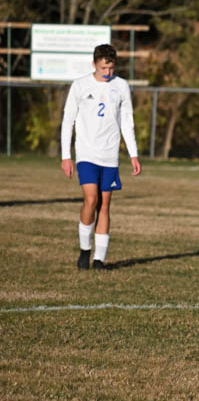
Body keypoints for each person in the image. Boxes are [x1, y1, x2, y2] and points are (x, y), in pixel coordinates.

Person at [60, 43, 141, 270]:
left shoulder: (121, 86)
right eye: (104, 68)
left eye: (111, 68)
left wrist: (133, 154)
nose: (108, 72)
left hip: (110, 154)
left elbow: (127, 122)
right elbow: (68, 121)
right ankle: (85, 249)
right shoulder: (80, 85)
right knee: (91, 199)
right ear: (94, 64)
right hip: (86, 153)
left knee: (104, 205)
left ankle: (99, 260)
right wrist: (66, 156)